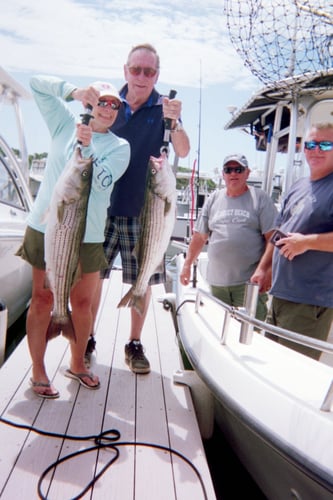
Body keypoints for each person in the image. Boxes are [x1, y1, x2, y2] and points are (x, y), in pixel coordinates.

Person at [17, 75, 130, 398]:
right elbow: (36, 83)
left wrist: (87, 146)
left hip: (89, 235)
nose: (107, 108)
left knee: (81, 303)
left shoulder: (120, 148)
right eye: (101, 101)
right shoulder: (63, 124)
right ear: (90, 102)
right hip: (46, 228)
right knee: (43, 298)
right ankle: (38, 371)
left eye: (114, 105)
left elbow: (100, 180)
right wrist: (73, 91)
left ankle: (77, 363)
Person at [90, 43, 190, 374]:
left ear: (157, 75)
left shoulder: (165, 108)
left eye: (149, 71)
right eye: (136, 70)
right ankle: (87, 338)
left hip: (144, 213)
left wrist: (174, 123)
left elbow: (184, 151)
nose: (142, 76)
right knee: (92, 280)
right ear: (125, 71)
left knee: (142, 281)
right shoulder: (110, 104)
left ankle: (134, 343)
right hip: (100, 210)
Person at [254, 122, 333, 360]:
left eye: (325, 144)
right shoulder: (298, 186)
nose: (315, 150)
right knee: (270, 365)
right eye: (310, 144)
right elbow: (279, 230)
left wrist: (306, 242)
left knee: (293, 374)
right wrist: (263, 268)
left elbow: (300, 239)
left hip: (309, 302)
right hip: (279, 295)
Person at [180, 153, 277, 320]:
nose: (233, 174)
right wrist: (187, 265)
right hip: (217, 284)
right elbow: (199, 237)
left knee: (249, 334)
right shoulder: (214, 198)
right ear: (223, 174)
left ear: (247, 173)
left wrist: (268, 269)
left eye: (238, 169)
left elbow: (273, 238)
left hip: (249, 284)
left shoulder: (260, 198)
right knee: (219, 331)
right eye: (228, 169)